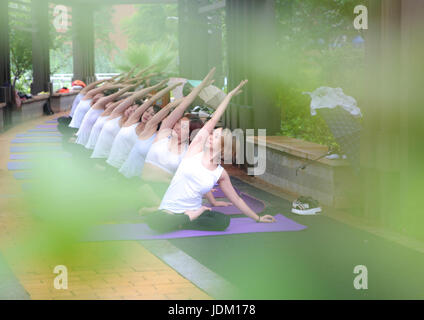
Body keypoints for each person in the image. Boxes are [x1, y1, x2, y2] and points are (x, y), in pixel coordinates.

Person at [145, 80, 276, 233]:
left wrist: (258, 218)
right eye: (213, 133)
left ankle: (184, 220)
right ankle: (189, 218)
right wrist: (229, 95)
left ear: (222, 147)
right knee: (156, 223)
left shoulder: (220, 173)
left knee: (223, 221)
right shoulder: (195, 150)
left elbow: (236, 199)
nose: (210, 134)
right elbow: (214, 119)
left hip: (193, 208)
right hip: (170, 210)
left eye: (215, 136)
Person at [106, 82, 182, 169]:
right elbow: (150, 101)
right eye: (147, 111)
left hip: (125, 171)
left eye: (152, 114)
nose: (147, 115)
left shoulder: (152, 135)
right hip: (110, 164)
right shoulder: (132, 122)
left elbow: (167, 109)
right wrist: (169, 86)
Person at [91, 80, 167, 159]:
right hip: (99, 156)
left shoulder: (135, 125)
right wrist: (154, 88)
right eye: (147, 111)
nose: (131, 110)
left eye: (135, 111)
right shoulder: (117, 116)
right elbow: (129, 98)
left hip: (114, 162)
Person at [75, 83, 139, 147]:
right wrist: (130, 89)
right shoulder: (97, 108)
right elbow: (117, 95)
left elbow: (119, 98)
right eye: (97, 97)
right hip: (82, 141)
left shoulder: (112, 114)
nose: (96, 100)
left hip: (91, 145)